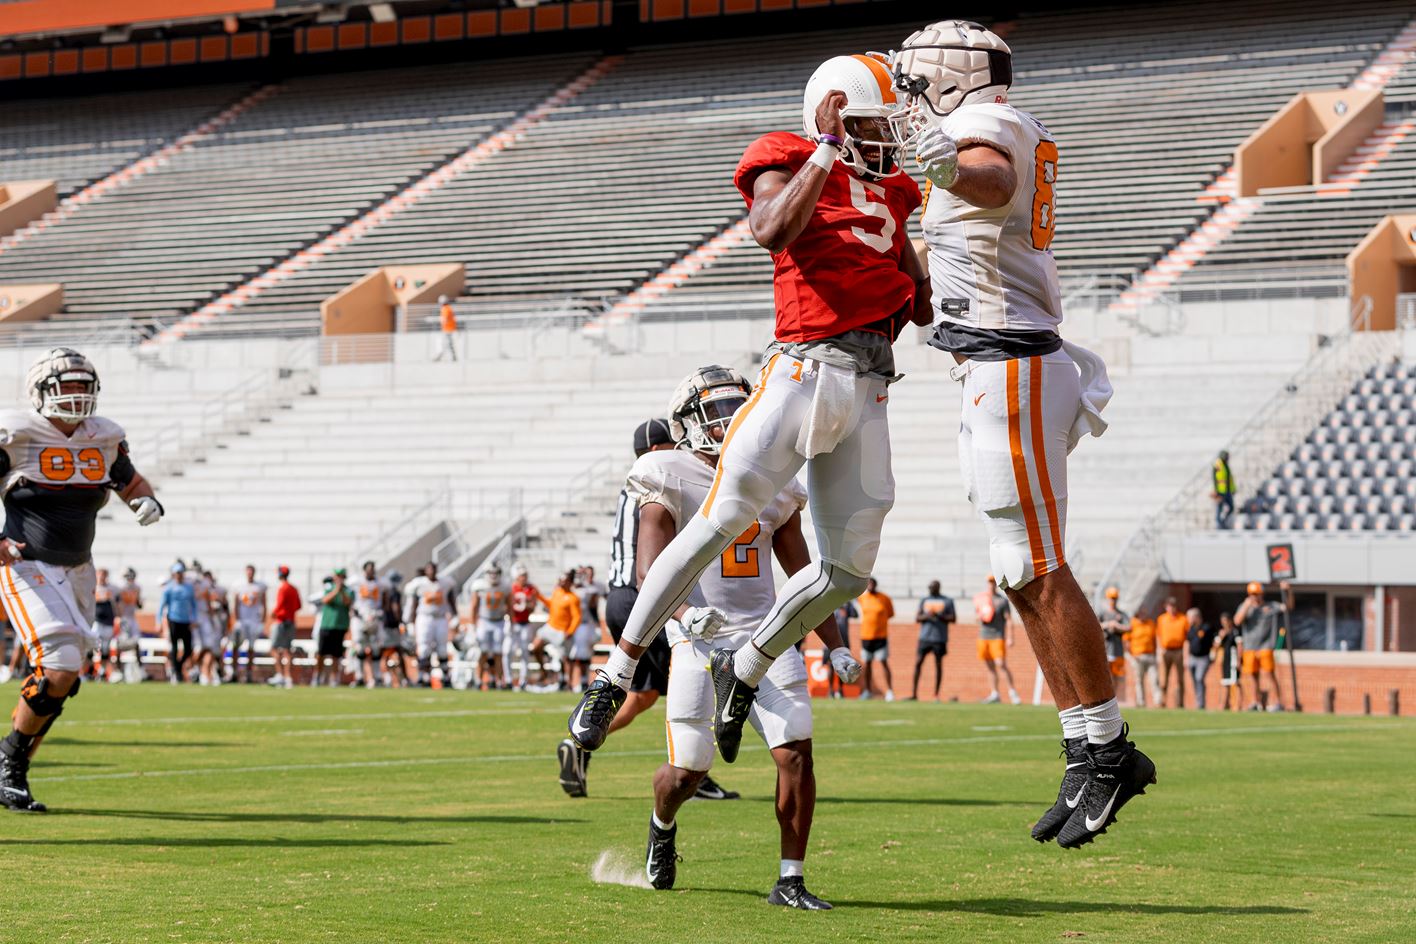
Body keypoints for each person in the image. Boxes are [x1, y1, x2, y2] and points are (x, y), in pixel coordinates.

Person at [568, 54, 928, 755]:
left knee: (847, 571)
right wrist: (826, 152)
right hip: (802, 369)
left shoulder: (897, 192)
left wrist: (944, 245)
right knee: (718, 519)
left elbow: (919, 304)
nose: (889, 141)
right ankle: (613, 676)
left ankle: (753, 661)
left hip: (871, 383)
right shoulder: (789, 157)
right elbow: (771, 229)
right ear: (833, 117)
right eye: (873, 127)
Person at [894, 19, 1153, 847]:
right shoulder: (974, 125)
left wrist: (935, 162)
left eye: (916, 79)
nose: (907, 95)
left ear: (954, 76)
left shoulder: (986, 126)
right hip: (985, 362)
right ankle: (1082, 748)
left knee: (1038, 566)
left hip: (1013, 365)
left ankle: (1111, 753)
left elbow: (986, 171)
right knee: (1015, 573)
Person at [617, 365, 860, 907]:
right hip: (698, 639)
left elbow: (805, 577)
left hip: (765, 639)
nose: (727, 422)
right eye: (714, 413)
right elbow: (648, 571)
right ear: (686, 424)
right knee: (687, 772)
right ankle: (661, 825)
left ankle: (790, 879)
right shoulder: (667, 472)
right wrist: (680, 616)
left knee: (796, 751)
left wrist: (835, 642)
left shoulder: (773, 478)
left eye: (735, 409)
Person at [0, 347, 167, 810]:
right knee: (60, 665)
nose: (76, 396)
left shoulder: (104, 437)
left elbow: (130, 480)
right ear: (41, 391)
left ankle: (11, 763)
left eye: (82, 385)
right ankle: (10, 760)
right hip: (24, 563)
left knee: (62, 677)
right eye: (66, 386)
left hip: (79, 568)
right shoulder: (15, 434)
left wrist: (144, 500)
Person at [559, 418, 739, 802]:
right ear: (659, 450)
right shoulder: (661, 480)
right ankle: (690, 768)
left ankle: (681, 761)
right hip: (647, 594)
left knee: (647, 693)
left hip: (620, 594)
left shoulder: (637, 483)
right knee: (693, 672)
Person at [1234, 581, 1287, 712]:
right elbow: (1237, 621)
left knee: (1269, 674)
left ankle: (1277, 702)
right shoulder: (1245, 607)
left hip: (1265, 646)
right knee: (1252, 676)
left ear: (1261, 594)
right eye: (1252, 594)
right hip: (1249, 647)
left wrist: (1287, 591)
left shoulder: (1270, 606)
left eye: (1256, 594)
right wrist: (1247, 605)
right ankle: (1255, 702)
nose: (1254, 596)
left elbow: (1287, 607)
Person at [403, 562, 457, 687]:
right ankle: (423, 677)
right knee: (423, 648)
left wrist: (455, 615)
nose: (431, 571)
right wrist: (411, 622)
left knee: (442, 649)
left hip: (440, 618)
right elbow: (414, 604)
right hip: (424, 618)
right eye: (429, 569)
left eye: (433, 569)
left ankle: (446, 677)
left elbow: (450, 599)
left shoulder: (445, 583)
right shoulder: (419, 584)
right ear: (425, 571)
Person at [973, 576, 1019, 705]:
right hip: (983, 636)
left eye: (993, 582)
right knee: (990, 667)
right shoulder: (982, 599)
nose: (991, 585)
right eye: (989, 582)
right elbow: (977, 617)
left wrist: (1010, 637)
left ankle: (1012, 692)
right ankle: (994, 693)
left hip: (997, 636)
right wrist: (982, 615)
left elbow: (1008, 619)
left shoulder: (1001, 601)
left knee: (1001, 664)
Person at [529, 571, 577, 690]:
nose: (561, 583)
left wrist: (570, 631)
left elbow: (577, 617)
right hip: (550, 626)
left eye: (564, 581)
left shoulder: (573, 598)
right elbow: (551, 604)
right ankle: (544, 673)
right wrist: (539, 596)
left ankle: (568, 682)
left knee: (564, 658)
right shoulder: (557, 592)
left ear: (570, 583)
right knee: (535, 647)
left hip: (561, 631)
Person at [469, 564, 510, 691]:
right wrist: (472, 625)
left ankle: (498, 681)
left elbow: (509, 605)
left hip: (499, 621)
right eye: (491, 573)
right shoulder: (479, 586)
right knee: (483, 652)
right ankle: (478, 680)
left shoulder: (505, 586)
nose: (493, 576)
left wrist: (511, 623)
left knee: (498, 653)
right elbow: (474, 606)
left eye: (496, 573)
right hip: (484, 620)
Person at [913, 580, 954, 701]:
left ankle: (936, 694)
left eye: (933, 587)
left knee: (938, 664)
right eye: (929, 587)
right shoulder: (924, 600)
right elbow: (918, 617)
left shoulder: (947, 601)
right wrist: (928, 615)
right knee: (918, 662)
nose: (930, 588)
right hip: (925, 637)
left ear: (938, 587)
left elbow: (953, 617)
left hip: (939, 638)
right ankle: (914, 693)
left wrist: (939, 615)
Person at [313, 569, 354, 687]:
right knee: (321, 653)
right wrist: (336, 589)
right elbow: (325, 600)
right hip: (327, 624)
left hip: (340, 626)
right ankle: (317, 677)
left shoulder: (348, 590)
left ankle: (334, 678)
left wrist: (341, 591)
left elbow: (348, 602)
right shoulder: (328, 588)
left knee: (336, 654)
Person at [568, 566, 606, 692]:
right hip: (572, 625)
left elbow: (596, 602)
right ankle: (568, 681)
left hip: (585, 624)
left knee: (584, 654)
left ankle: (583, 681)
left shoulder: (591, 589)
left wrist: (597, 624)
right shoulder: (570, 589)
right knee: (571, 654)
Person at [857, 577, 895, 701]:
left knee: (883, 662)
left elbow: (890, 614)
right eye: (868, 584)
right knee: (867, 664)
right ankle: (867, 691)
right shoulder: (862, 598)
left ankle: (889, 691)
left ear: (876, 585)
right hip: (866, 636)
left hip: (881, 636)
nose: (870, 586)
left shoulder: (884, 598)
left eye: (872, 584)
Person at [159, 563, 197, 685]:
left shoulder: (188, 587)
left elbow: (193, 604)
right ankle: (177, 673)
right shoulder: (169, 588)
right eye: (177, 573)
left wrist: (194, 619)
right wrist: (159, 621)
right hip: (174, 620)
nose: (179, 575)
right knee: (174, 647)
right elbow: (162, 605)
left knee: (188, 649)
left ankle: (178, 666)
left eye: (180, 573)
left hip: (186, 621)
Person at [351, 561, 387, 690]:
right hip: (360, 617)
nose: (371, 571)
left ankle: (377, 677)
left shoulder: (381, 583)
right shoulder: (356, 582)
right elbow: (350, 598)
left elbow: (385, 598)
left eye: (373, 569)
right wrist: (353, 610)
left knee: (376, 648)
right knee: (360, 647)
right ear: (364, 570)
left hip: (375, 616)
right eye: (369, 569)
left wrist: (381, 613)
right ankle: (359, 677)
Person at [505, 563, 540, 691]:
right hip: (512, 622)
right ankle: (508, 680)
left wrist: (529, 602)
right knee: (508, 651)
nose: (524, 578)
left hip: (525, 623)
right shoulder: (510, 588)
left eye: (525, 575)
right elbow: (506, 605)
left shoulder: (531, 589)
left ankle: (523, 680)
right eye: (521, 575)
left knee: (525, 652)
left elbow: (533, 605)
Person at [230, 565, 267, 684]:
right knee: (236, 645)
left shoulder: (260, 586)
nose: (250, 574)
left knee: (251, 648)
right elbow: (236, 603)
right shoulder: (239, 585)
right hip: (242, 620)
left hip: (254, 620)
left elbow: (264, 604)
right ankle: (234, 672)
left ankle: (249, 673)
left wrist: (263, 621)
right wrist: (237, 619)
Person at [269, 565, 301, 689]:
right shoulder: (294, 588)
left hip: (281, 621)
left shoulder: (283, 588)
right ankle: (288, 677)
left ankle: (280, 675)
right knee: (287, 650)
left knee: (274, 648)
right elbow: (298, 606)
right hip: (291, 621)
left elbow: (279, 605)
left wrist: (274, 613)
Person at [1096, 587, 1130, 703]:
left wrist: (1116, 626)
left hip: (1117, 650)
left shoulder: (1121, 614)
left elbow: (1128, 627)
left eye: (1115, 598)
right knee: (1106, 676)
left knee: (1116, 677)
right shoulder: (1103, 613)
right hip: (1105, 650)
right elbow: (1096, 625)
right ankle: (1106, 699)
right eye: (1111, 598)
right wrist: (1107, 624)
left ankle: (1114, 699)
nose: (1113, 601)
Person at [1156, 597, 1189, 709]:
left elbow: (1186, 638)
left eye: (1173, 606)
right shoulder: (1162, 619)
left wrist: (1185, 654)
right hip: (1166, 651)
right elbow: (1158, 635)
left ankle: (1180, 703)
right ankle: (1163, 701)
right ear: (1166, 607)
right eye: (1169, 606)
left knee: (1180, 679)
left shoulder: (1183, 619)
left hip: (1179, 651)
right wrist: (1160, 650)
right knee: (1164, 678)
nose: (1171, 608)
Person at [114, 568, 144, 683]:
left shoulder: (137, 588)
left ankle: (141, 670)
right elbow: (116, 603)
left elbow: (139, 605)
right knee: (120, 645)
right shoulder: (120, 588)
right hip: (123, 619)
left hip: (132, 618)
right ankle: (118, 671)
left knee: (136, 643)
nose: (129, 579)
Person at [89, 568, 120, 682]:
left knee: (105, 648)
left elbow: (116, 604)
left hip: (108, 621)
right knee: (93, 645)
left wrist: (117, 616)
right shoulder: (92, 588)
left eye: (103, 575)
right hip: (96, 620)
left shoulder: (112, 589)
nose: (102, 578)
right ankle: (90, 670)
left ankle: (102, 671)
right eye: (100, 575)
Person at [1185, 608, 1218, 710]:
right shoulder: (1191, 629)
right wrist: (1186, 657)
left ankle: (1201, 704)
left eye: (1190, 617)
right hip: (1192, 658)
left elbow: (1215, 640)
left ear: (1196, 617)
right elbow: (1187, 642)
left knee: (1199, 678)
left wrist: (1214, 654)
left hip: (1203, 658)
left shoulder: (1206, 627)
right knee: (1195, 680)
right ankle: (1198, 701)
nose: (1189, 620)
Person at [1127, 607, 1160, 708]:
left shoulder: (1151, 623)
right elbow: (1127, 641)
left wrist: (1156, 654)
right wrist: (1132, 655)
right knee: (1139, 680)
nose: (1143, 616)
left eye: (1145, 614)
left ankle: (1157, 701)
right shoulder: (1133, 623)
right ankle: (1141, 702)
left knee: (1154, 679)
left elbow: (1155, 640)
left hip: (1150, 655)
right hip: (1138, 656)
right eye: (1142, 614)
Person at [828, 600, 857, 699]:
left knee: (843, 665)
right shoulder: (829, 602)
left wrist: (849, 603)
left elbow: (855, 614)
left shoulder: (846, 603)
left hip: (843, 641)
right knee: (831, 666)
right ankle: (831, 690)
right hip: (829, 641)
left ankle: (840, 690)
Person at [1216, 612, 1241, 710]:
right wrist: (1220, 637)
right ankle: (1225, 704)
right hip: (1225, 660)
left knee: (1235, 682)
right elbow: (1215, 647)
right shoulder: (1222, 633)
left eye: (1225, 621)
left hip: (1233, 660)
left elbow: (1240, 646)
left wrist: (1239, 660)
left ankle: (1237, 704)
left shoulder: (1235, 632)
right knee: (1225, 682)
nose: (1224, 624)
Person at [1212, 450, 1235, 530]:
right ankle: (1219, 524)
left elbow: (1229, 479)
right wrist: (1216, 490)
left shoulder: (1226, 465)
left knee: (1231, 507)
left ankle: (1223, 522)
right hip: (1221, 491)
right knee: (1219, 508)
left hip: (1228, 490)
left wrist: (1233, 489)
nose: (1228, 458)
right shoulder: (1218, 465)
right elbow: (1215, 479)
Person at [435, 295, 457, 362]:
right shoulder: (448, 308)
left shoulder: (445, 309)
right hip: (449, 329)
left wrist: (443, 324)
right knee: (449, 343)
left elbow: (445, 319)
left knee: (443, 343)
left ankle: (440, 356)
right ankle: (453, 357)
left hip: (447, 329)